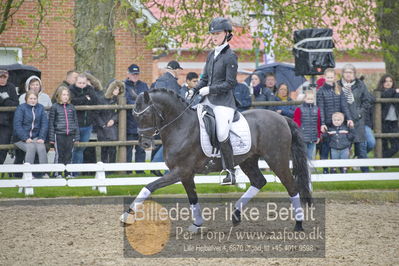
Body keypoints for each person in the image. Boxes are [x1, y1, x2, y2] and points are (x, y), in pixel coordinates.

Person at [194, 17, 238, 185]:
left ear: (227, 34)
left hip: (224, 103)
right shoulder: (211, 54)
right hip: (207, 99)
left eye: (217, 33)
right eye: (212, 34)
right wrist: (194, 89)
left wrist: (211, 89)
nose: (214, 36)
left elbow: (230, 83)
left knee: (221, 132)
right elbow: (205, 78)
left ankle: (230, 171)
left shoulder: (230, 56)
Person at [338, 64, 373, 172]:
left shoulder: (360, 85)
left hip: (358, 121)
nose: (348, 74)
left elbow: (367, 101)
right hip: (343, 121)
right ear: (342, 74)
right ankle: (343, 173)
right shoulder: (338, 85)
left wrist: (359, 113)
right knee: (344, 149)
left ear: (354, 74)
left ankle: (365, 172)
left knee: (361, 148)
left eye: (351, 72)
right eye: (346, 72)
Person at [316, 68, 353, 174]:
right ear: (324, 77)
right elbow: (321, 108)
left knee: (340, 145)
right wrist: (322, 123)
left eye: (331, 77)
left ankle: (340, 167)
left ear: (335, 78)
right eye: (328, 77)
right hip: (327, 123)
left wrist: (349, 118)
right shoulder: (321, 91)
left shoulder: (339, 89)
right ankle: (325, 169)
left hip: (339, 122)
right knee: (326, 147)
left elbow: (344, 106)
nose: (330, 79)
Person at [13, 91, 48, 176]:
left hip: (35, 137)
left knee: (41, 148)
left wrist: (41, 137)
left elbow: (44, 124)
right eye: (31, 98)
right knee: (31, 148)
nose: (33, 100)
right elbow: (17, 125)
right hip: (20, 138)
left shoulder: (40, 108)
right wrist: (25, 138)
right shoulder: (21, 108)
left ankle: (44, 172)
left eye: (35, 98)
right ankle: (28, 173)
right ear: (26, 99)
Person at [69, 74, 97, 174]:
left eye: (83, 83)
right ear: (75, 82)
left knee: (81, 149)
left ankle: (77, 173)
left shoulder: (90, 89)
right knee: (73, 148)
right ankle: (71, 171)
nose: (81, 85)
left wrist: (82, 99)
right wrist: (85, 99)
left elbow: (94, 101)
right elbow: (72, 101)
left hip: (87, 124)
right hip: (74, 124)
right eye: (79, 83)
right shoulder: (71, 89)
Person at [48, 87, 80, 178]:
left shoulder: (72, 107)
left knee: (69, 154)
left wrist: (77, 136)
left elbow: (75, 122)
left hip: (71, 134)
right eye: (63, 95)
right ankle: (57, 173)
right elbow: (51, 123)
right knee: (59, 155)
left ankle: (68, 173)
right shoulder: (55, 107)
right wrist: (51, 138)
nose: (65, 97)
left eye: (67, 95)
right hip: (59, 134)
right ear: (59, 95)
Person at [124, 64, 149, 172]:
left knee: (141, 148)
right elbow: (126, 100)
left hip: (142, 122)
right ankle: (128, 170)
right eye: (133, 74)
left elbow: (148, 99)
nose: (135, 76)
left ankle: (140, 170)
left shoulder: (143, 85)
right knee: (128, 148)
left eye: (136, 74)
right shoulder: (124, 85)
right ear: (128, 73)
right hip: (129, 121)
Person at [96, 80, 124, 164]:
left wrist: (113, 120)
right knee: (104, 149)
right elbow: (96, 114)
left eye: (118, 89)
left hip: (113, 128)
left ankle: (111, 168)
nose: (117, 91)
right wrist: (103, 125)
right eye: (115, 89)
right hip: (103, 128)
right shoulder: (101, 100)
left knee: (113, 149)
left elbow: (119, 113)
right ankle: (104, 167)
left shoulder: (119, 100)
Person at [376, 74, 399, 158]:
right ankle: (383, 166)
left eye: (390, 81)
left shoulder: (395, 93)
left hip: (394, 122)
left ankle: (382, 160)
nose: (388, 83)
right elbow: (385, 96)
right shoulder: (378, 92)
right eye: (386, 81)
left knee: (396, 145)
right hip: (382, 122)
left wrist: (396, 92)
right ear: (382, 83)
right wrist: (394, 91)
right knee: (383, 145)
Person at [293, 90, 321, 160]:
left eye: (311, 99)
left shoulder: (316, 109)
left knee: (310, 155)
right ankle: (302, 170)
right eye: (308, 98)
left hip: (313, 136)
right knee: (303, 155)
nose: (310, 100)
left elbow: (318, 123)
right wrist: (298, 134)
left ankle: (309, 170)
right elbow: (296, 122)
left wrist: (318, 135)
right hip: (302, 136)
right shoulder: (299, 109)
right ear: (305, 99)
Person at [0, 69, 19, 164]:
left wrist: (4, 99)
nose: (2, 79)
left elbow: (15, 104)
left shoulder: (11, 87)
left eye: (4, 77)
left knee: (3, 147)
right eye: (0, 77)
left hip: (6, 123)